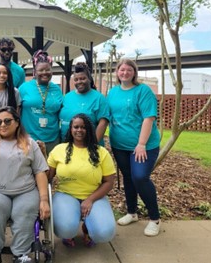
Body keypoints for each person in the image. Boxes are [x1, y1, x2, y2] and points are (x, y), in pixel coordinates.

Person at [0, 106, 50, 263]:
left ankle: (21, 254)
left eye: (7, 121)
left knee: (25, 211)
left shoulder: (29, 143)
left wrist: (44, 200)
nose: (2, 125)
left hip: (24, 190)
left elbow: (40, 171)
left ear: (17, 122)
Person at [107, 58, 161, 237]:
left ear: (134, 73)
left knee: (140, 177)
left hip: (144, 146)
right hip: (119, 145)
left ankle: (155, 219)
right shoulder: (112, 93)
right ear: (117, 72)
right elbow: (108, 117)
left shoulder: (143, 91)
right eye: (122, 69)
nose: (125, 73)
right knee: (128, 177)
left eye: (129, 70)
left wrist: (141, 144)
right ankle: (132, 212)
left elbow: (149, 117)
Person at [48, 114, 116, 248]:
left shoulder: (101, 152)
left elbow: (109, 182)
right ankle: (69, 231)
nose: (79, 130)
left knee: (105, 233)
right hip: (66, 194)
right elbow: (48, 177)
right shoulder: (59, 150)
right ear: (71, 129)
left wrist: (90, 199)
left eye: (83, 127)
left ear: (89, 130)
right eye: (76, 127)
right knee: (65, 228)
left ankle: (87, 228)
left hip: (94, 196)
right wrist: (42, 153)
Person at [19, 50, 63, 153]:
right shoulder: (24, 88)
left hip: (53, 140)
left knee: (51, 168)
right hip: (29, 139)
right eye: (41, 70)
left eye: (48, 70)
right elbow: (17, 112)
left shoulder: (57, 89)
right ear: (35, 71)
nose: (44, 73)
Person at [59, 62, 109, 145]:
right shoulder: (67, 97)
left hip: (88, 146)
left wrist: (93, 146)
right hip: (66, 145)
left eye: (82, 78)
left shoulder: (99, 98)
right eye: (76, 79)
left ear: (89, 79)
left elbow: (103, 123)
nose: (79, 82)